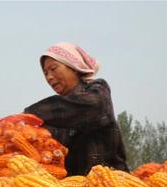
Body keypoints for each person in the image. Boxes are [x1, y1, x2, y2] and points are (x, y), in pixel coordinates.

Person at [24, 42, 129, 176]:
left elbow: (86, 107)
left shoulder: (98, 91)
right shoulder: (55, 117)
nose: (49, 77)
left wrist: (28, 115)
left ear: (73, 67)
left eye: (54, 68)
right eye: (45, 73)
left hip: (112, 183)